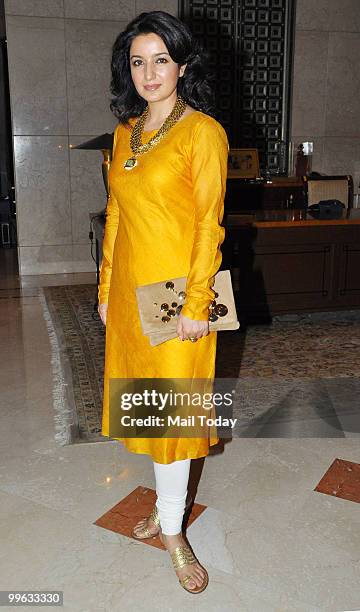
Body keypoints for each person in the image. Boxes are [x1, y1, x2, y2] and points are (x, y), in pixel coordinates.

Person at [98, 10, 228, 594]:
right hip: (131, 293)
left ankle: (173, 532)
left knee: (174, 416)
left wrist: (199, 301)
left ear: (180, 64)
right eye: (137, 61)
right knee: (149, 409)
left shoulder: (202, 132)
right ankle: (167, 508)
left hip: (178, 295)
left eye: (160, 59)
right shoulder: (127, 131)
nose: (149, 72)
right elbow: (118, 215)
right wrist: (105, 291)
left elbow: (209, 223)